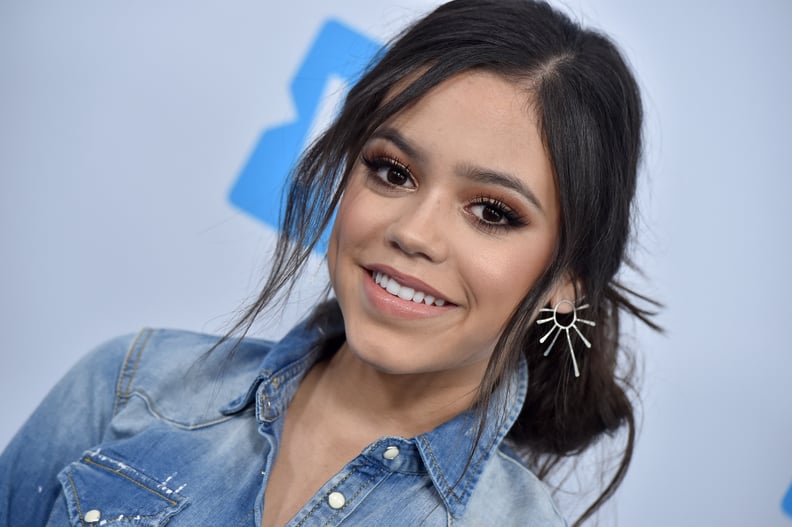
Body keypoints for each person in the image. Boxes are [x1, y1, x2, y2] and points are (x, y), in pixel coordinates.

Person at [0, 0, 660, 525]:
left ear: (570, 279)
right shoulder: (131, 387)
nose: (413, 231)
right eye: (393, 171)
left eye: (492, 211)